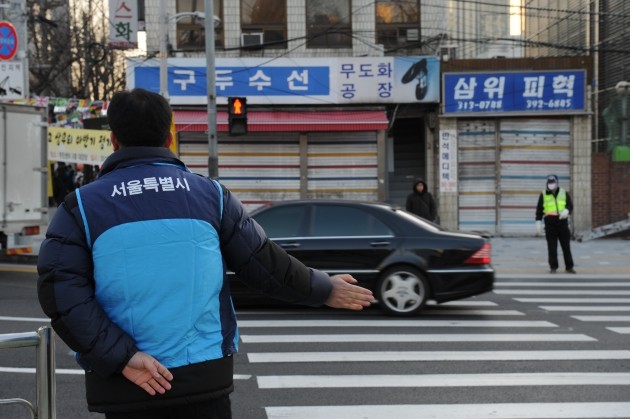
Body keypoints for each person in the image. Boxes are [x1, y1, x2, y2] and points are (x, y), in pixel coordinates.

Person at [37, 88, 374, 419]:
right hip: (203, 378)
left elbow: (61, 293)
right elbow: (265, 264)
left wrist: (122, 358)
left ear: (113, 140)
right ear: (169, 139)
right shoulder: (212, 197)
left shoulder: (80, 207)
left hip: (126, 383)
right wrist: (324, 288)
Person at [535, 174, 576, 274]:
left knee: (566, 246)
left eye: (553, 182)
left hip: (562, 221)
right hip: (550, 223)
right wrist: (538, 221)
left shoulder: (563, 193)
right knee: (552, 246)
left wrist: (567, 211)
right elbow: (539, 209)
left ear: (557, 183)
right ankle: (553, 267)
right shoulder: (543, 194)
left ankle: (569, 267)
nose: (551, 184)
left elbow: (570, 205)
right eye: (549, 183)